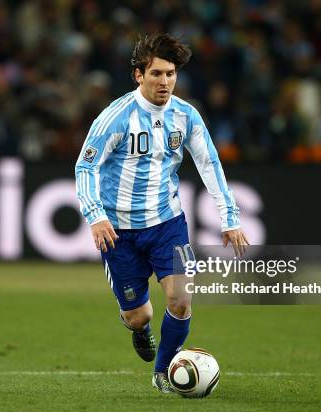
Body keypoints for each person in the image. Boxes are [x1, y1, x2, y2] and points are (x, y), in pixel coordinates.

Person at [74, 33, 249, 393]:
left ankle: (163, 370)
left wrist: (229, 218)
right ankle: (139, 329)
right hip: (118, 231)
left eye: (170, 74)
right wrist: (96, 216)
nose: (165, 82)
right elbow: (85, 168)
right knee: (139, 315)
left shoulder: (186, 115)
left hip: (168, 223)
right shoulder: (115, 117)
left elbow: (209, 163)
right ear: (139, 75)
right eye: (156, 74)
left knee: (181, 298)